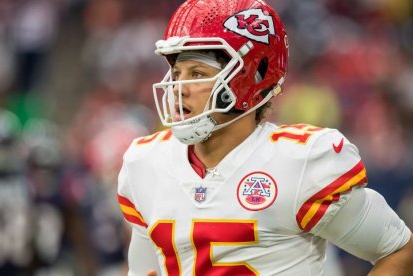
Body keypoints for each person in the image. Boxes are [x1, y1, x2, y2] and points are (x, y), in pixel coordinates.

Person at [117, 0, 413, 275]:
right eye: (177, 72)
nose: (179, 87)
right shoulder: (146, 162)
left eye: (197, 73)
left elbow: (399, 250)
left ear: (251, 77)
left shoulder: (300, 162)